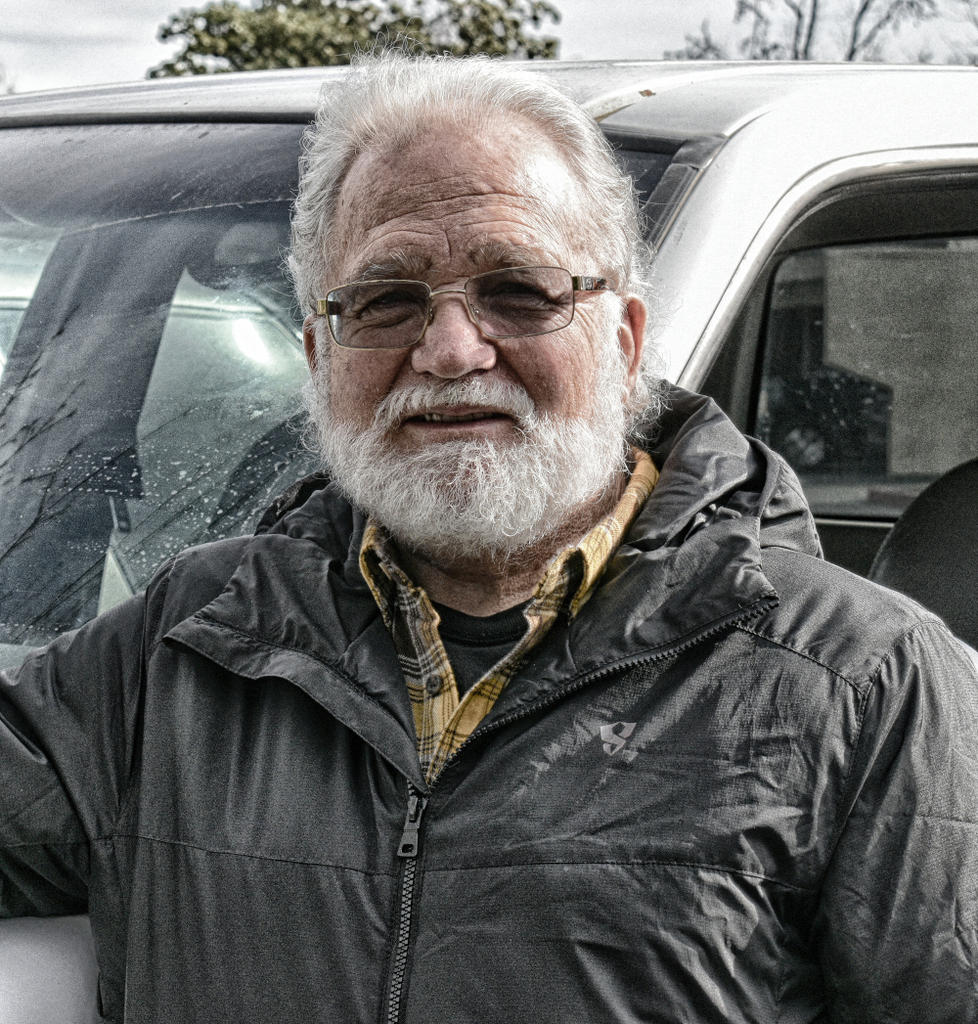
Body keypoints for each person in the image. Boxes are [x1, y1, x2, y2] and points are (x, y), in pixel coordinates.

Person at [2, 52, 977, 1024]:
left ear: (626, 343)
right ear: (318, 356)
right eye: (385, 300)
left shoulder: (863, 687)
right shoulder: (185, 645)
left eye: (520, 290)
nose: (451, 350)